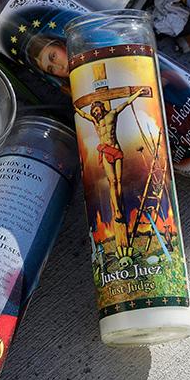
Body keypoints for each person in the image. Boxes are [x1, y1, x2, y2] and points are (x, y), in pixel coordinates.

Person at [74, 87, 152, 258]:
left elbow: (126, 103)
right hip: (105, 151)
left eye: (97, 109)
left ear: (102, 108)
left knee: (119, 180)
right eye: (94, 111)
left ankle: (120, 206)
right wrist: (76, 107)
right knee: (112, 182)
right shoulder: (95, 122)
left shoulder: (112, 115)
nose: (96, 112)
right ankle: (117, 209)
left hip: (116, 150)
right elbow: (82, 115)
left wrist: (138, 93)